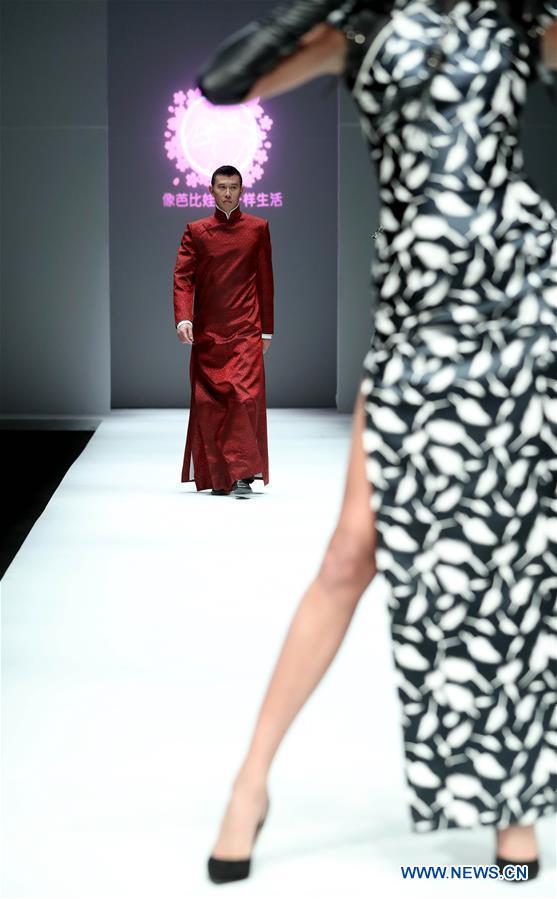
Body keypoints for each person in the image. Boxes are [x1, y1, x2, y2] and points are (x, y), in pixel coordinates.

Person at [196, 0, 557, 884]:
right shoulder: (358, 30)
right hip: (413, 322)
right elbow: (223, 83)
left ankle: (510, 804)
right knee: (349, 552)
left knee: (510, 558)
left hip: (514, 312)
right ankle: (250, 782)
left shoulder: (517, 18)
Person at [174, 165, 274, 497]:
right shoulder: (196, 231)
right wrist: (183, 318)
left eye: (233, 187)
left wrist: (267, 330)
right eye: (222, 187)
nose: (228, 193)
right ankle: (220, 475)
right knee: (211, 402)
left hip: (246, 328)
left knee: (244, 397)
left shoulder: (258, 228)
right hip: (209, 332)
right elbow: (183, 278)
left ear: (242, 190)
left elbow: (265, 281)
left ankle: (242, 473)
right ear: (211, 190)